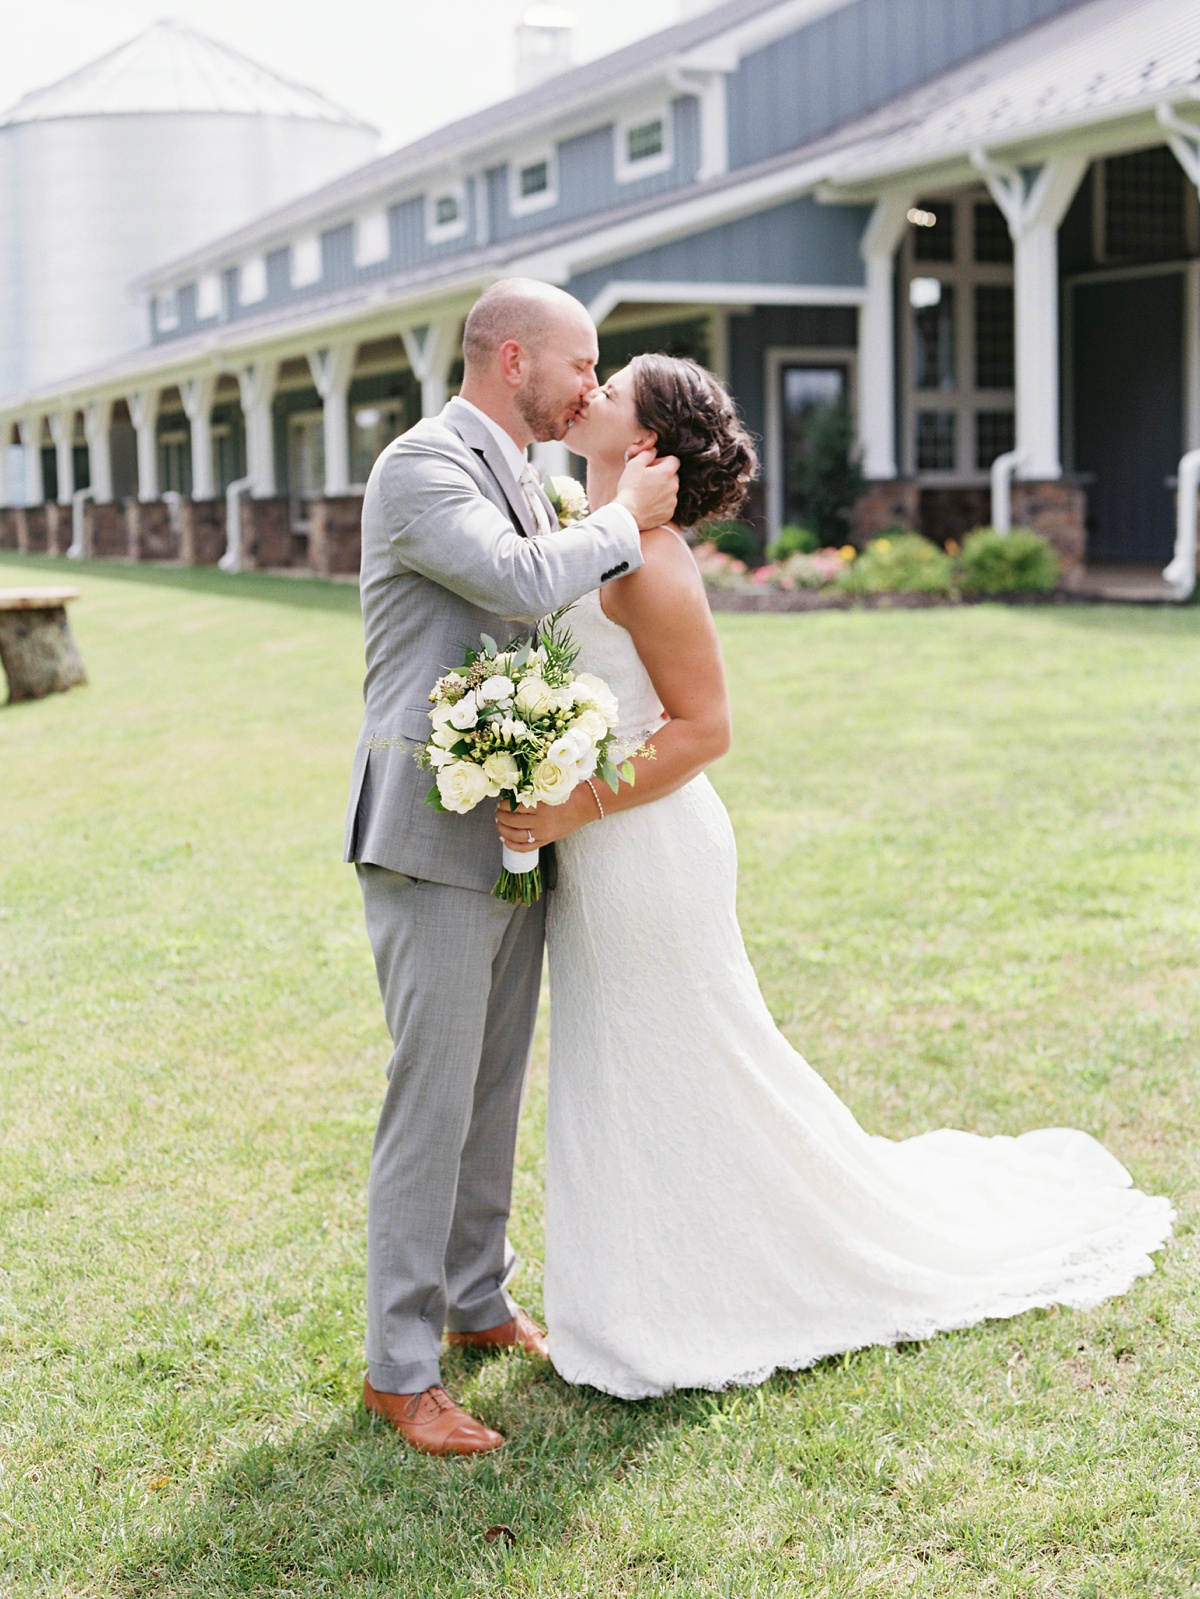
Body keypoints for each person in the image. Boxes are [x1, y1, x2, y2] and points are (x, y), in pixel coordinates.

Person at [496, 353, 1174, 1401]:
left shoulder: (653, 563)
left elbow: (706, 728)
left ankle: (693, 1296)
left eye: (614, 387)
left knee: (675, 1057)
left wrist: (569, 805)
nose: (591, 391)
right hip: (596, 842)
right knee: (619, 1061)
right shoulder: (586, 534)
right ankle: (640, 1290)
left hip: (646, 849)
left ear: (644, 444)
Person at [345, 280, 679, 1453]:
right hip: (428, 830)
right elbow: (522, 582)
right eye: (581, 364)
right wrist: (625, 514)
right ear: (514, 360)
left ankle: (477, 1298)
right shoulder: (421, 466)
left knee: (491, 1089)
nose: (590, 386)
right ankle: (401, 1370)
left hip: (516, 825)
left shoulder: (531, 478)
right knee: (431, 1098)